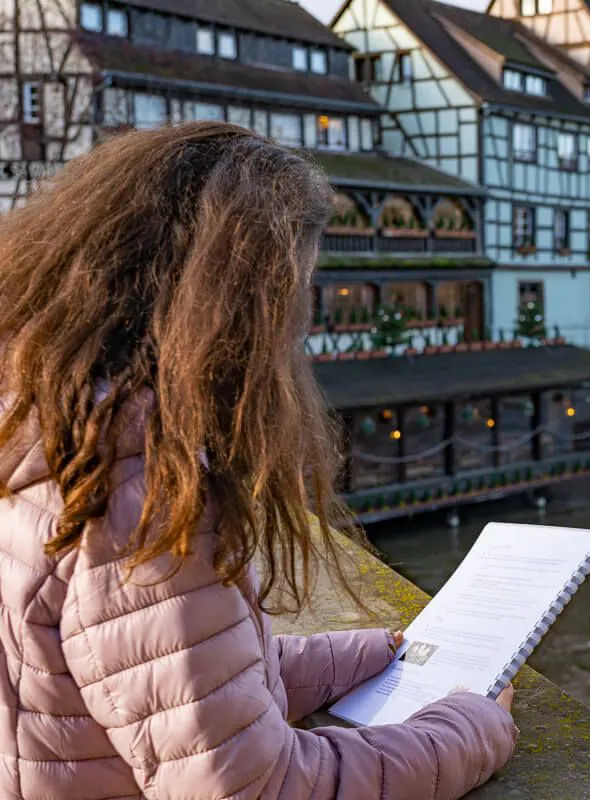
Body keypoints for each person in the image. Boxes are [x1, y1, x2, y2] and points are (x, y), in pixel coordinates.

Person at [0, 122, 517, 798]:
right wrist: (471, 728)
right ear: (234, 309)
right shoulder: (144, 495)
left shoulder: (46, 430)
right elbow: (262, 788)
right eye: (293, 299)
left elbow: (148, 671)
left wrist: (353, 658)